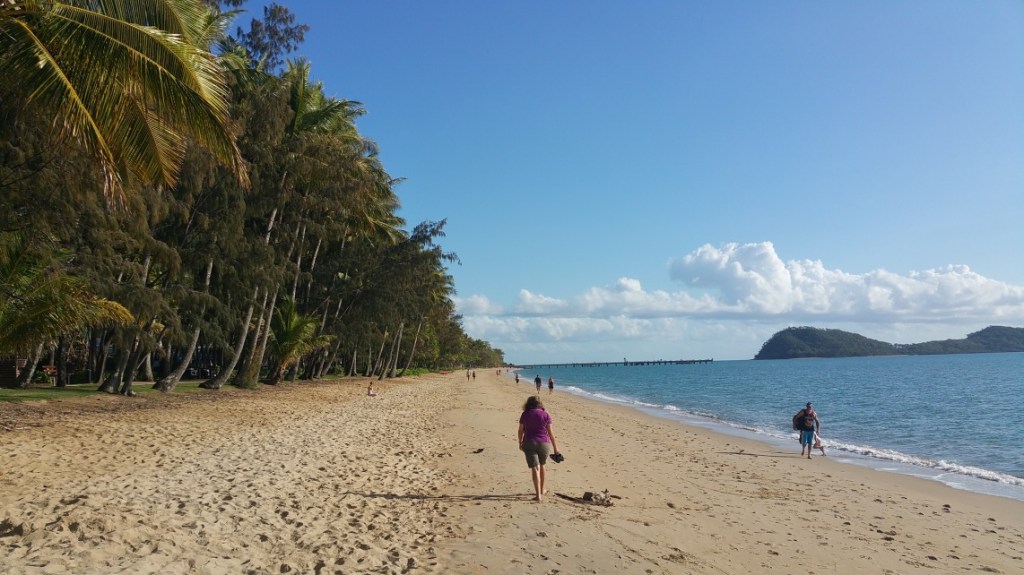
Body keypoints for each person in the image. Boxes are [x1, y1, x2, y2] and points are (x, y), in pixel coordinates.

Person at [517, 395, 561, 502]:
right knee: (542, 465)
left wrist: (520, 442)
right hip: (544, 444)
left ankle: (538, 496)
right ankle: (542, 490)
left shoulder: (525, 414)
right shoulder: (546, 415)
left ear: (528, 404)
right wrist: (556, 449)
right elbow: (551, 434)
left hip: (529, 442)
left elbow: (520, 430)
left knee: (535, 468)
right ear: (540, 404)